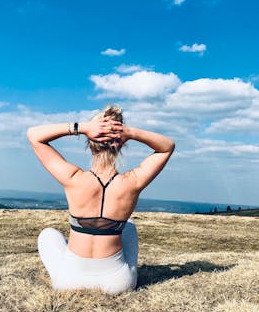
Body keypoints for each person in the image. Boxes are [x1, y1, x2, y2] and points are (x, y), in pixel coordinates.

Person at [27, 106, 175, 294]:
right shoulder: (132, 182)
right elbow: (167, 146)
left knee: (48, 234)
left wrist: (82, 127)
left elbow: (34, 135)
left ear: (90, 143)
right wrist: (129, 132)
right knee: (128, 225)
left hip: (69, 281)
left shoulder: (73, 178)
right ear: (120, 144)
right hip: (117, 283)